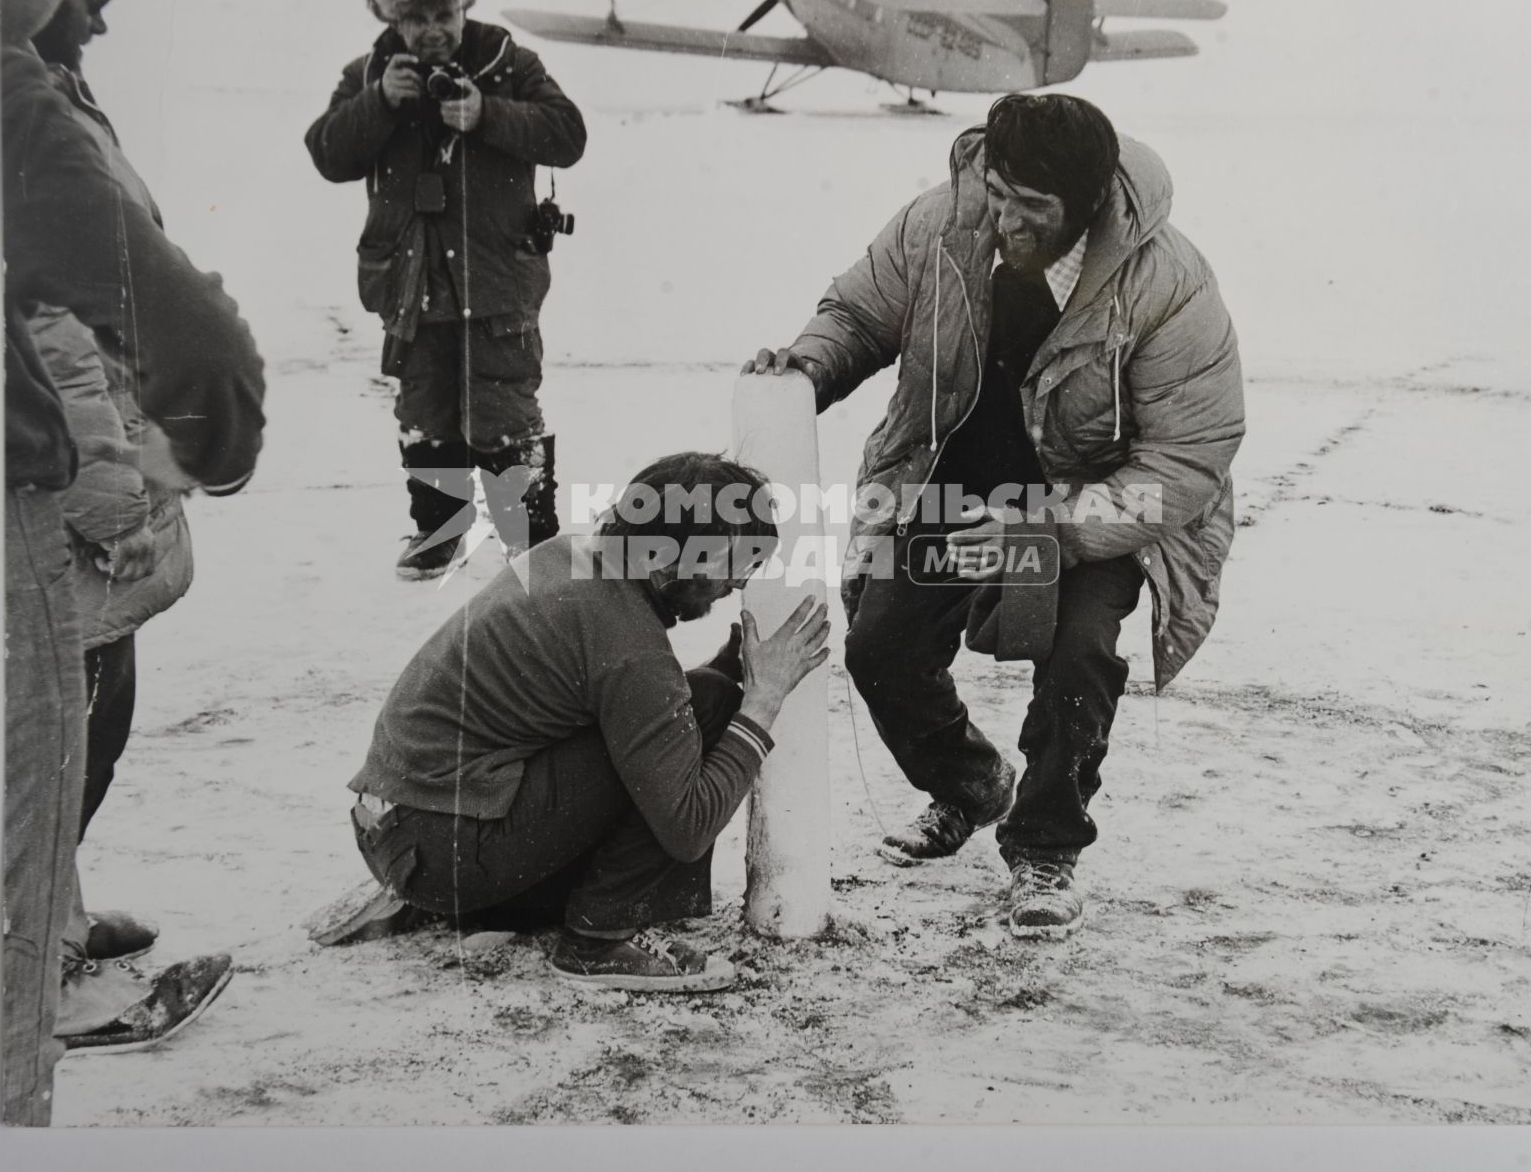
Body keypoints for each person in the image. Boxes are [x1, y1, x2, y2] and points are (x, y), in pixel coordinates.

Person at [743, 93, 1244, 940]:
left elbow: (1187, 461)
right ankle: (972, 783)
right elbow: (860, 313)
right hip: (955, 487)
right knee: (880, 646)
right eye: (999, 191)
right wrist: (803, 365)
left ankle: (1046, 849)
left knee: (1080, 656)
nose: (1006, 218)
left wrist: (1054, 528)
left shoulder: (1169, 285)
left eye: (1033, 208)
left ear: (1083, 206)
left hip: (1096, 508)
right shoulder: (945, 222)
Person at [0, 0, 264, 1120]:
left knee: (95, 707)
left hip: (93, 439)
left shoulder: (49, 83)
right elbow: (67, 309)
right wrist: (138, 441)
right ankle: (24, 973)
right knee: (47, 719)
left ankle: (47, 911)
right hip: (62, 453)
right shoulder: (7, 99)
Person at [341, 452, 830, 991]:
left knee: (703, 699)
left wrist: (722, 670)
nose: (737, 584)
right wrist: (762, 701)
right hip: (441, 852)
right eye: (729, 563)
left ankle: (470, 894)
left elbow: (619, 702)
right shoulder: (627, 644)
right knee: (712, 707)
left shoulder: (574, 555)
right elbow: (687, 826)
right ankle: (597, 938)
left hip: (400, 831)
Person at [305, 0, 587, 579]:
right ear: (391, 17)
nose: (433, 30)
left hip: (497, 280)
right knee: (424, 408)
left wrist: (490, 113)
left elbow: (568, 135)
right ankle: (438, 533)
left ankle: (533, 545)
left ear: (464, 7)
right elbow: (327, 152)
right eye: (416, 18)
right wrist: (379, 104)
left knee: (505, 408)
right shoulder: (371, 74)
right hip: (410, 282)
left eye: (444, 14)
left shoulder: (509, 65)